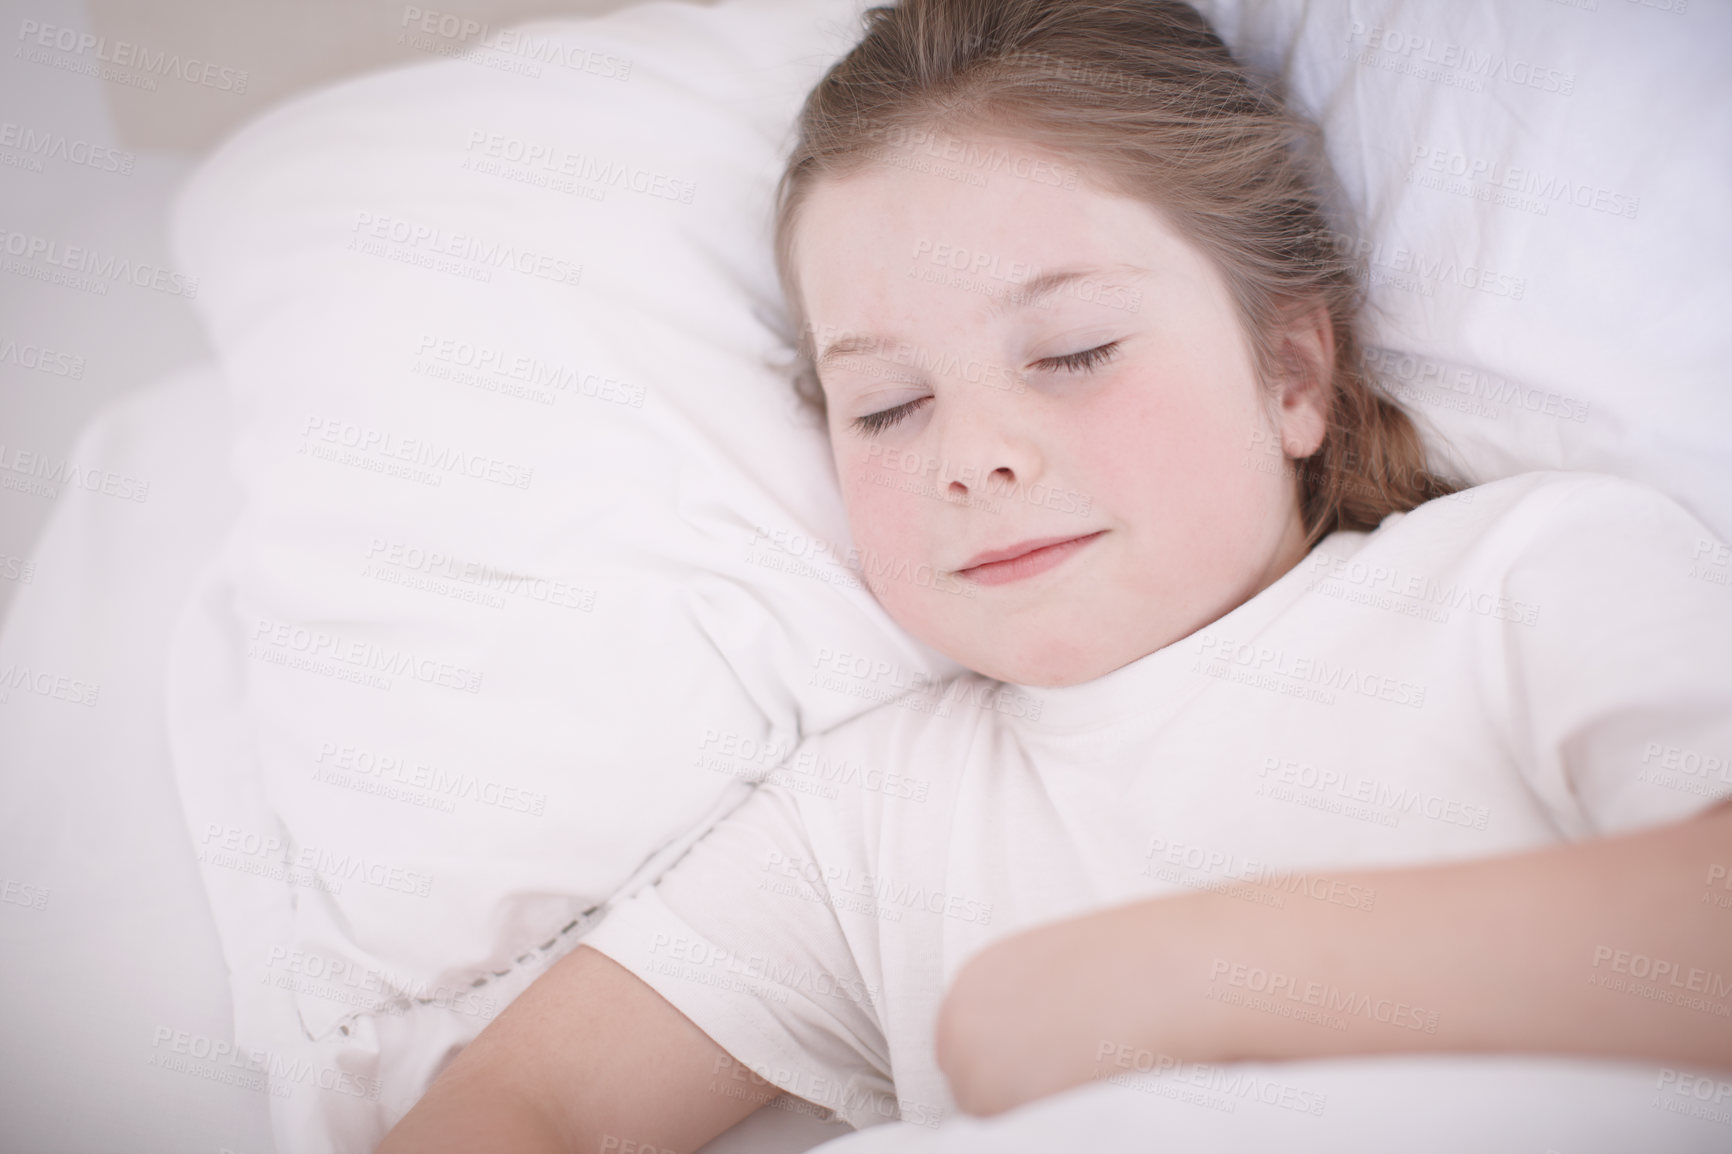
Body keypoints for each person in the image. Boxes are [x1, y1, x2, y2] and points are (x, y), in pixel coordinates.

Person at [378, 0, 1732, 1149]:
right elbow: (527, 1101)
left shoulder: (1523, 581)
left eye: (1074, 350)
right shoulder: (870, 816)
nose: (971, 455)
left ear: (1293, 371)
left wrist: (1172, 978)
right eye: (891, 405)